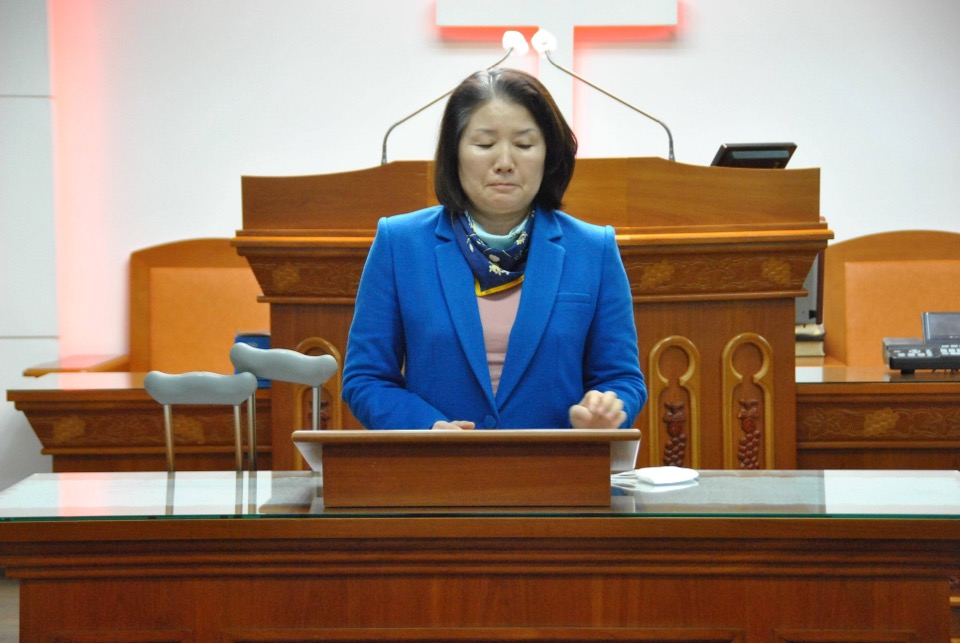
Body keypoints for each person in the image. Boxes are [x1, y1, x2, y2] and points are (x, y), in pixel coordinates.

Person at [342, 68, 647, 430]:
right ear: (454, 152)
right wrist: (427, 429)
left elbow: (622, 380)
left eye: (524, 145)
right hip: (438, 464)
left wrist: (606, 410)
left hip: (557, 463)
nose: (504, 163)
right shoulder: (400, 244)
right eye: (485, 145)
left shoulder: (593, 250)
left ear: (549, 154)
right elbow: (366, 378)